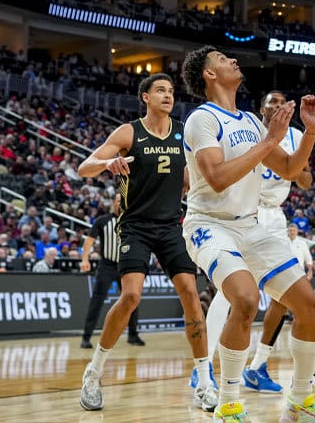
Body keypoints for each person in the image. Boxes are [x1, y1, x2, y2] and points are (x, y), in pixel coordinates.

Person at [179, 46, 315, 423]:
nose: (232, 60)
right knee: (245, 299)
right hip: (208, 225)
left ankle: (299, 399)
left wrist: (310, 132)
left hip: (250, 224)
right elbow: (215, 179)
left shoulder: (248, 119)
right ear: (209, 75)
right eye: (221, 59)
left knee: (310, 307)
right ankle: (229, 404)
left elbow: (292, 168)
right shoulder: (202, 119)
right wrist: (270, 139)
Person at [75, 73, 209, 412]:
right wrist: (108, 162)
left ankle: (205, 381)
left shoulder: (183, 132)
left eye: (171, 91)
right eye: (160, 91)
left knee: (192, 296)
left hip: (170, 226)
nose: (168, 95)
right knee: (131, 295)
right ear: (145, 97)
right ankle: (95, 371)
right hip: (135, 225)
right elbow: (83, 168)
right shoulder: (128, 132)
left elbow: (191, 178)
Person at [199, 90, 314, 395]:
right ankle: (204, 367)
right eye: (271, 102)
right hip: (244, 210)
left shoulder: (293, 135)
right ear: (262, 108)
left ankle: (258, 365)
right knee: (231, 295)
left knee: (284, 294)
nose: (276, 106)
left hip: (273, 215)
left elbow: (304, 178)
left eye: (281, 102)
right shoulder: (246, 128)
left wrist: (301, 172)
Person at [79, 194, 143, 349]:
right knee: (97, 300)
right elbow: (89, 241)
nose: (120, 204)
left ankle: (133, 335)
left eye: (123, 202)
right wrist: (85, 259)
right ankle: (86, 337)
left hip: (126, 265)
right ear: (113, 203)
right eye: (118, 201)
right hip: (106, 265)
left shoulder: (132, 220)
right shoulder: (102, 221)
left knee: (132, 299)